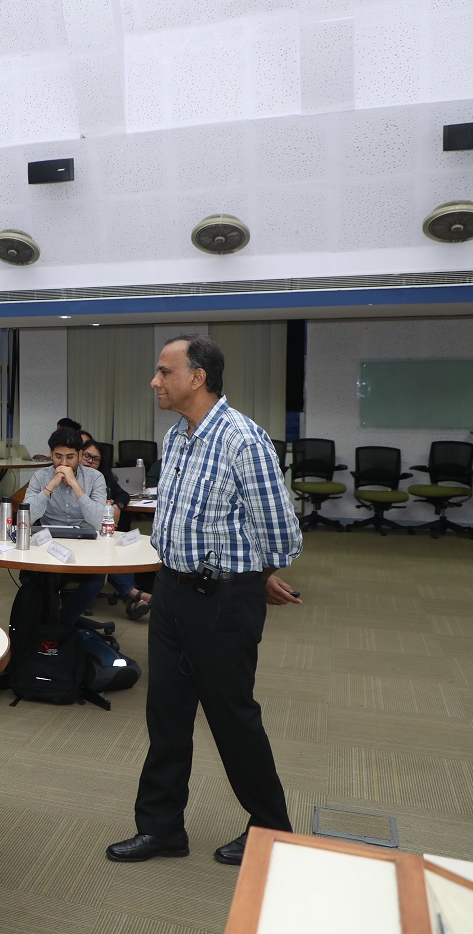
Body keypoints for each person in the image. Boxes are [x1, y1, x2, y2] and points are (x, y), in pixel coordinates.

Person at [106, 334, 302, 869]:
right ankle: (161, 829)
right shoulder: (176, 438)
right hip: (170, 591)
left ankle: (273, 829)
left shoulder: (243, 440)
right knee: (165, 717)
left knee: (232, 719)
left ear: (197, 377)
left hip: (223, 602)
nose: (155, 381)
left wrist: (252, 572)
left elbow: (282, 535)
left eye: (164, 371)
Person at [23, 429, 109, 624]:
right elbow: (26, 518)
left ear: (80, 455)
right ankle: (42, 622)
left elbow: (97, 521)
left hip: (86, 543)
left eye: (70, 457)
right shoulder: (40, 476)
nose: (63, 463)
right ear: (51, 454)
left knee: (95, 580)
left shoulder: (95, 478)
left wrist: (75, 484)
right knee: (30, 578)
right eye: (58, 456)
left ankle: (63, 624)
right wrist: (51, 485)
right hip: (48, 542)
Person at [79, 438, 150, 620]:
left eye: (96, 459)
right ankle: (134, 594)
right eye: (87, 456)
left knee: (121, 545)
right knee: (108, 549)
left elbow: (123, 494)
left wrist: (116, 506)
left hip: (102, 531)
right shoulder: (72, 479)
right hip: (81, 535)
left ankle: (131, 601)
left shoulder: (102, 477)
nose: (90, 461)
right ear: (78, 455)